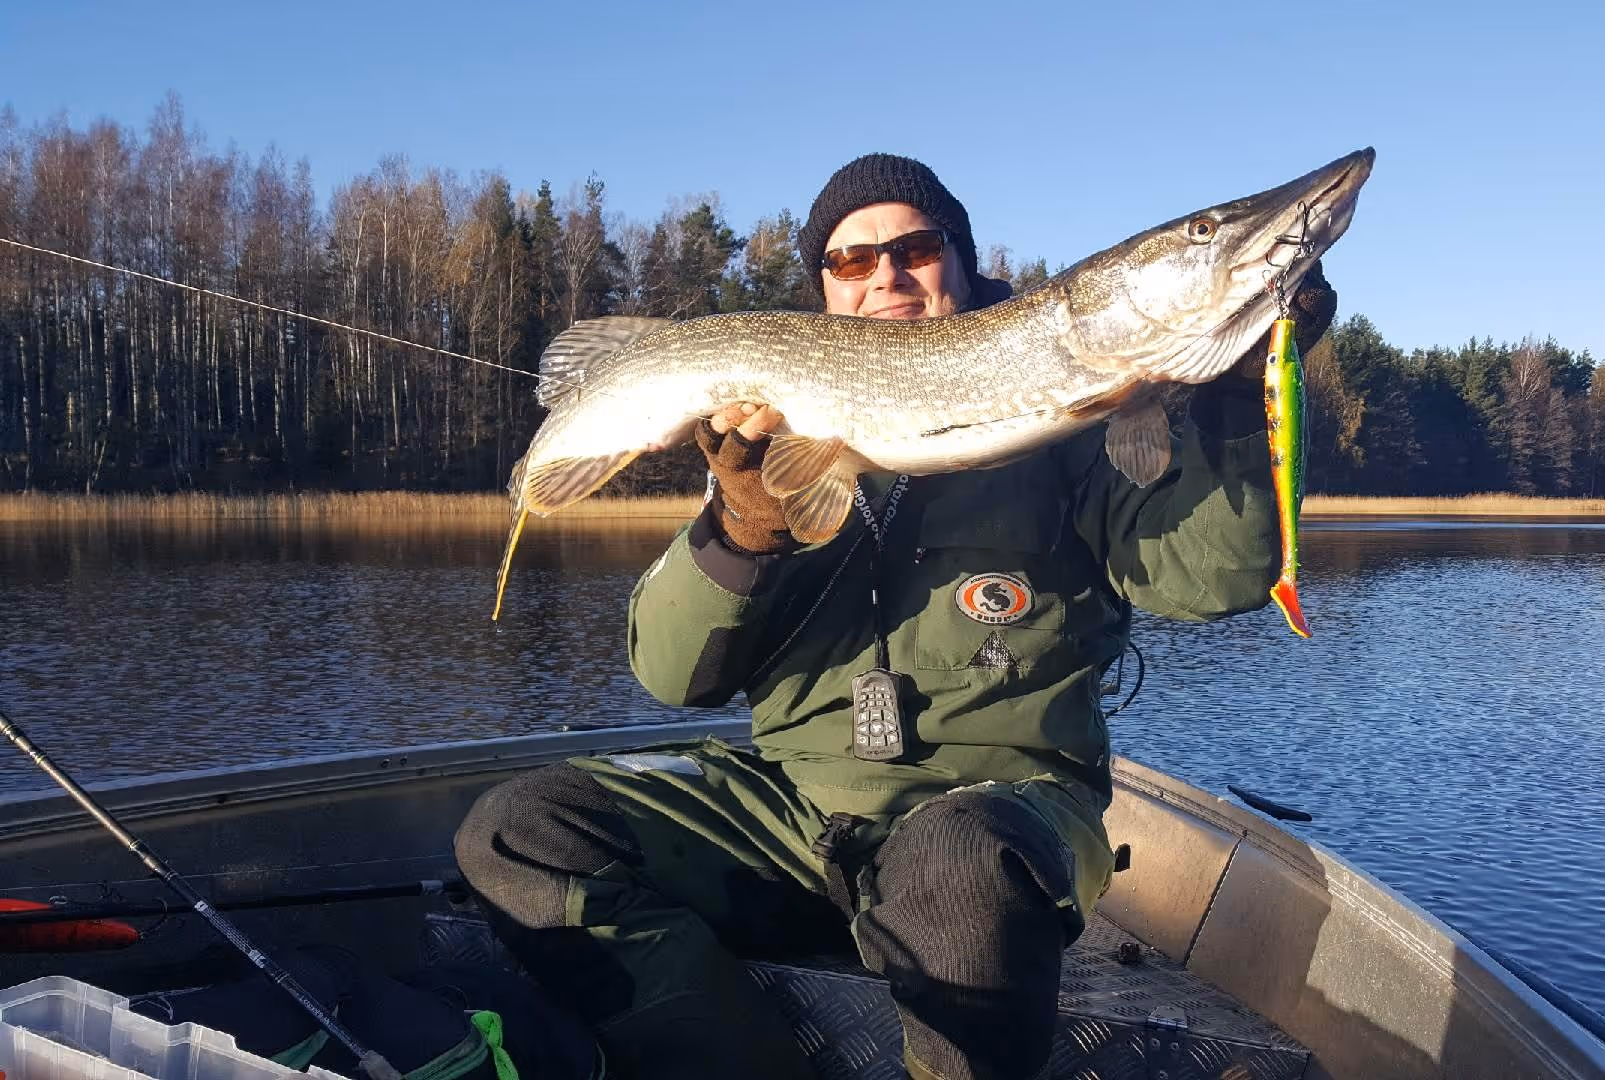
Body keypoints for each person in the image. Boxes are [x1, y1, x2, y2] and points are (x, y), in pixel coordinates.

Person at [455, 153, 1337, 1080]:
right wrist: (745, 523)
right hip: (796, 813)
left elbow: (1213, 577)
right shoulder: (772, 443)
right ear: (825, 292)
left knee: (959, 866)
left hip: (1006, 810)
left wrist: (1238, 395)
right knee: (520, 829)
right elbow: (673, 676)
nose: (886, 274)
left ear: (959, 260)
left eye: (915, 247)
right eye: (849, 262)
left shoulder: (1085, 432)